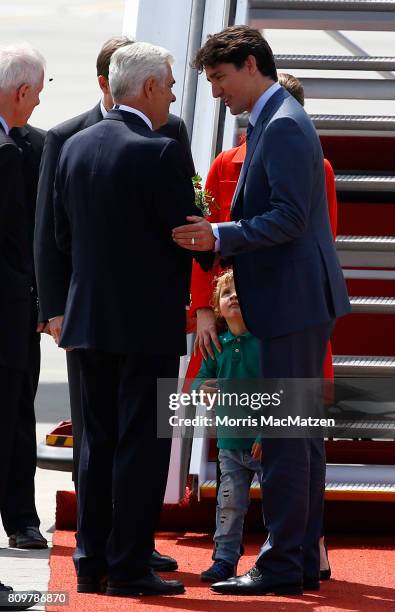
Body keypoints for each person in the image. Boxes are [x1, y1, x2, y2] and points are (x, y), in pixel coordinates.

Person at [173, 25, 350, 596]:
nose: (218, 92)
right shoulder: (275, 123)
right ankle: (293, 563)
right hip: (293, 305)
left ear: (252, 65)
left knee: (283, 440)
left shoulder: (283, 127)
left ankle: (281, 565)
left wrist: (219, 234)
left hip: (291, 307)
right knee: (289, 439)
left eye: (221, 79)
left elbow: (290, 218)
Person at [53, 41, 212, 597]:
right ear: (147, 88)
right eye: (168, 83)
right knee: (142, 445)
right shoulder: (159, 151)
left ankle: (90, 559)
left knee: (95, 444)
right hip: (144, 325)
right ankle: (128, 566)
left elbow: (60, 237)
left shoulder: (73, 146)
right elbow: (189, 235)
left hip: (87, 320)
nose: (171, 92)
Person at [0, 41, 46, 610]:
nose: (37, 104)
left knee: (15, 421)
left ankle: (21, 516)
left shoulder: (30, 146)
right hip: (7, 317)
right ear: (19, 92)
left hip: (16, 323)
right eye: (37, 93)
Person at [192, 270, 262, 583]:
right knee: (229, 505)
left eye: (241, 291)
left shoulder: (265, 346)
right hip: (230, 445)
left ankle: (277, 558)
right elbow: (196, 385)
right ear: (217, 307)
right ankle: (224, 560)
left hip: (266, 444)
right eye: (226, 293)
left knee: (277, 506)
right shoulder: (217, 346)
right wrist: (202, 390)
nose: (233, 296)